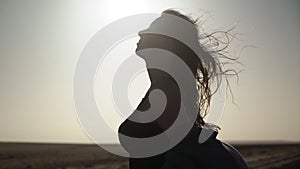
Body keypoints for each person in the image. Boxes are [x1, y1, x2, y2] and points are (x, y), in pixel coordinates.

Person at [118, 9, 249, 169]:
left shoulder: (166, 91)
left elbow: (185, 153)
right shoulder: (163, 86)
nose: (141, 32)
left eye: (152, 29)